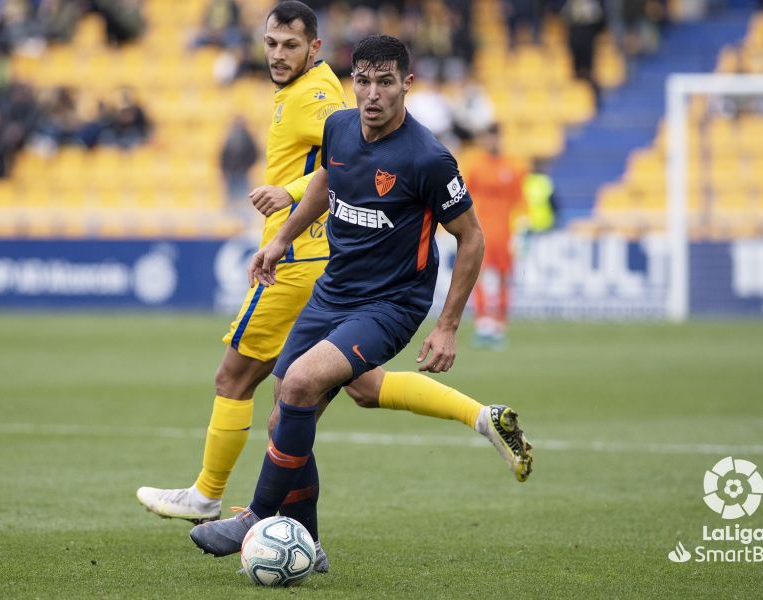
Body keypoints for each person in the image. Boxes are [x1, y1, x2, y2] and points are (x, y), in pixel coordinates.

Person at [136, 3, 532, 571]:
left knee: (297, 384)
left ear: (407, 85)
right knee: (285, 416)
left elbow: (471, 240)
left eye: (385, 83)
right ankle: (306, 542)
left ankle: (255, 515)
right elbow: (327, 179)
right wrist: (279, 240)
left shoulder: (428, 159)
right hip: (333, 290)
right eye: (364, 82)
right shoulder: (340, 126)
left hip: (390, 304)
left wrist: (446, 327)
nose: (372, 95)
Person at [465, 123, 525, 347]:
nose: (492, 142)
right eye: (488, 138)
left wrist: (522, 230)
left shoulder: (515, 167)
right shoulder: (475, 166)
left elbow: (521, 202)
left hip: (505, 232)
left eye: (495, 138)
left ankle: (499, 324)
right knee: (477, 275)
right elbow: (464, 197)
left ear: (500, 139)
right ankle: (483, 322)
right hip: (480, 230)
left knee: (503, 277)